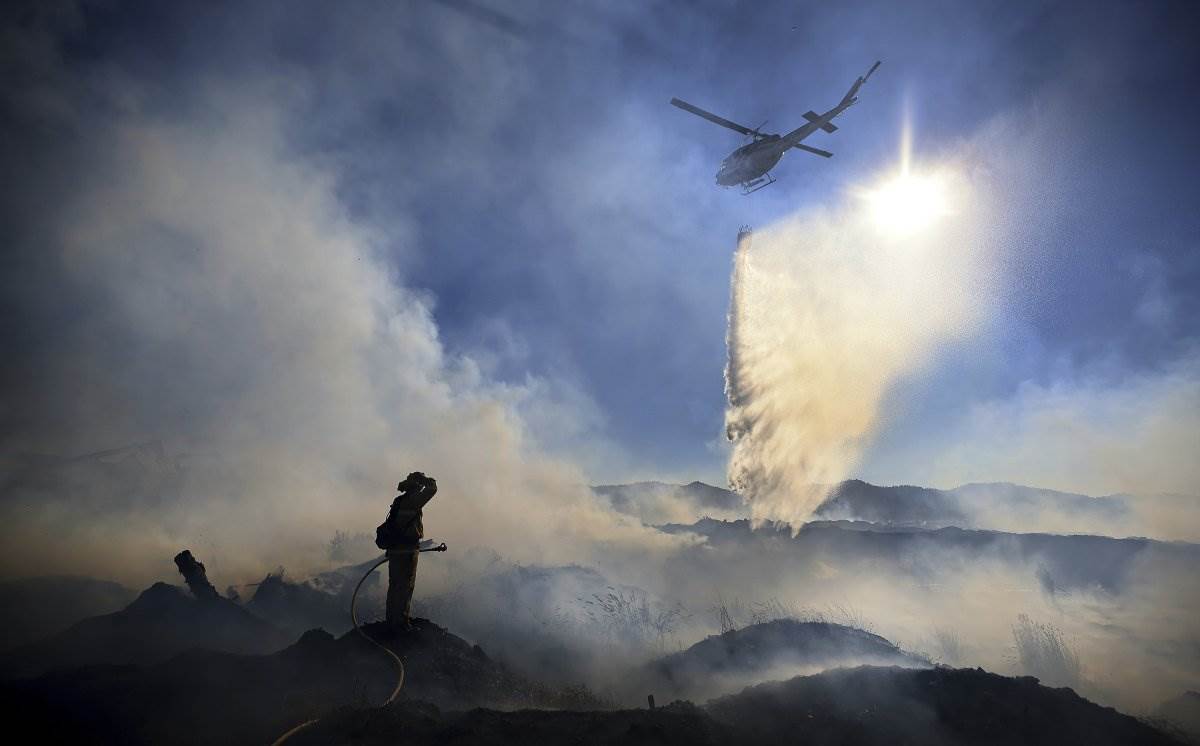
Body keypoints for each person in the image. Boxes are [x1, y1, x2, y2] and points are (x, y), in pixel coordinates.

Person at [376, 471, 437, 630]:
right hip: (407, 551)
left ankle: (391, 620)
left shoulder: (400, 500)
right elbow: (432, 489)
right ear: (416, 486)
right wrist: (427, 480)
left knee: (394, 585)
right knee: (405, 586)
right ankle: (401, 623)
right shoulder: (413, 500)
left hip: (395, 550)